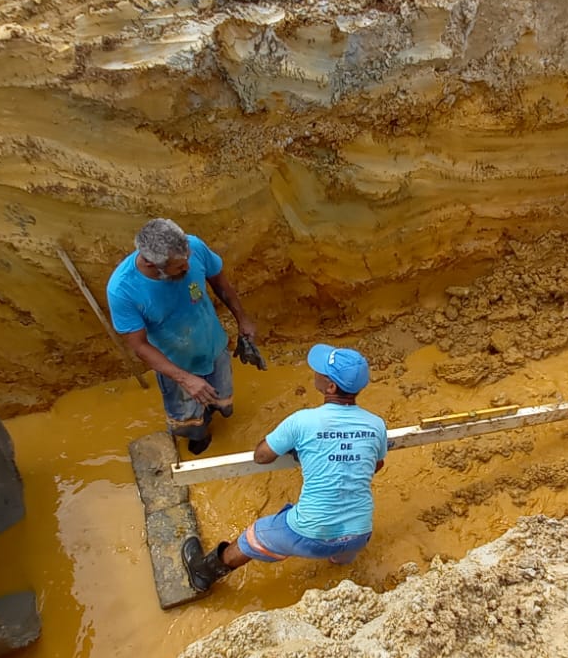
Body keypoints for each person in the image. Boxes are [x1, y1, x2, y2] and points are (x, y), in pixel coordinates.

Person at [182, 344, 388, 592]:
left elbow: (262, 456)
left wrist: (300, 449)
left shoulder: (302, 421)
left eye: (320, 372)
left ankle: (203, 573)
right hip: (359, 534)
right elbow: (375, 465)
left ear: (331, 387)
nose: (315, 372)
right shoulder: (376, 425)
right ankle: (338, 563)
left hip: (311, 531)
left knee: (252, 537)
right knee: (341, 548)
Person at [107, 218, 262, 455]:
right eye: (179, 267)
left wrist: (243, 318)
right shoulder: (123, 290)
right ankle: (199, 435)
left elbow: (221, 284)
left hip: (213, 346)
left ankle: (215, 417)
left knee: (221, 399)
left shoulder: (193, 247)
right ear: (150, 263)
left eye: (187, 259)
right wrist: (185, 379)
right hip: (175, 365)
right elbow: (139, 346)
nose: (187, 268)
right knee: (188, 419)